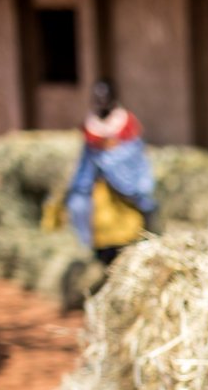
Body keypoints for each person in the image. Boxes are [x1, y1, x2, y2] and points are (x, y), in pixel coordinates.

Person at [64, 79, 156, 266]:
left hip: (124, 193)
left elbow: (134, 159)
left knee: (130, 233)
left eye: (104, 97)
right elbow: (85, 164)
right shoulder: (91, 128)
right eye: (96, 98)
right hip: (99, 192)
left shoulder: (126, 125)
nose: (100, 102)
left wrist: (113, 167)